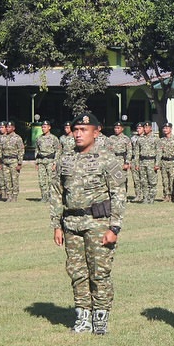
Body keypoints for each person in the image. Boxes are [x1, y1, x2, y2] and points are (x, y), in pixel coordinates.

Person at [50, 112, 126, 334]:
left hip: (98, 223)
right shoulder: (65, 159)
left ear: (96, 131)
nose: (78, 134)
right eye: (75, 130)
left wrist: (115, 227)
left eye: (83, 130)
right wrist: (56, 224)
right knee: (77, 271)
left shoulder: (107, 159)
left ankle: (100, 317)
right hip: (71, 224)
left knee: (99, 271)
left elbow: (119, 194)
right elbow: (56, 193)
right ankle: (83, 316)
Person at [35, 120, 61, 202]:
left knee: (51, 180)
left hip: (50, 161)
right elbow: (37, 149)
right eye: (42, 127)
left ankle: (51, 197)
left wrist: (55, 162)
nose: (43, 129)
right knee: (42, 180)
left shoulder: (54, 138)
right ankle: (44, 196)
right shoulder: (39, 138)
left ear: (49, 127)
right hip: (41, 161)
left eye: (45, 127)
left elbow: (58, 150)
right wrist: (36, 161)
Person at [134, 121, 160, 203]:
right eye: (144, 127)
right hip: (142, 161)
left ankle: (151, 198)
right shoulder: (140, 139)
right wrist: (137, 163)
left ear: (151, 128)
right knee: (143, 181)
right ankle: (145, 198)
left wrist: (157, 164)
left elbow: (159, 152)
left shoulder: (155, 138)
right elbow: (137, 152)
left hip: (151, 161)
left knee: (152, 181)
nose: (145, 129)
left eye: (147, 127)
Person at [0, 121, 25, 201]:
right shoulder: (3, 137)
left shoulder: (17, 138)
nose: (7, 128)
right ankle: (9, 196)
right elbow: (0, 150)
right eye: (7, 127)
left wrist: (20, 163)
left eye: (9, 127)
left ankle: (14, 196)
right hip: (5, 160)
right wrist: (0, 161)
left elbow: (21, 150)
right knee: (7, 179)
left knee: (14, 179)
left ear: (13, 128)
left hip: (14, 160)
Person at [158, 122, 174, 202]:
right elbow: (159, 153)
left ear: (171, 129)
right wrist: (158, 163)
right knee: (164, 180)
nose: (165, 130)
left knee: (172, 180)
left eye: (167, 128)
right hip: (164, 162)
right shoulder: (161, 140)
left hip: (173, 162)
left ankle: (172, 195)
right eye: (164, 128)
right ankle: (166, 195)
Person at [109, 121, 133, 194]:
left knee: (123, 179)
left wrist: (127, 162)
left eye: (118, 128)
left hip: (122, 160)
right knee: (113, 179)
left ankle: (124, 195)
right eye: (115, 128)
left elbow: (129, 151)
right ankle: (115, 194)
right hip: (113, 161)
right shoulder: (111, 138)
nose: (116, 129)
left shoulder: (126, 139)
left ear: (122, 129)